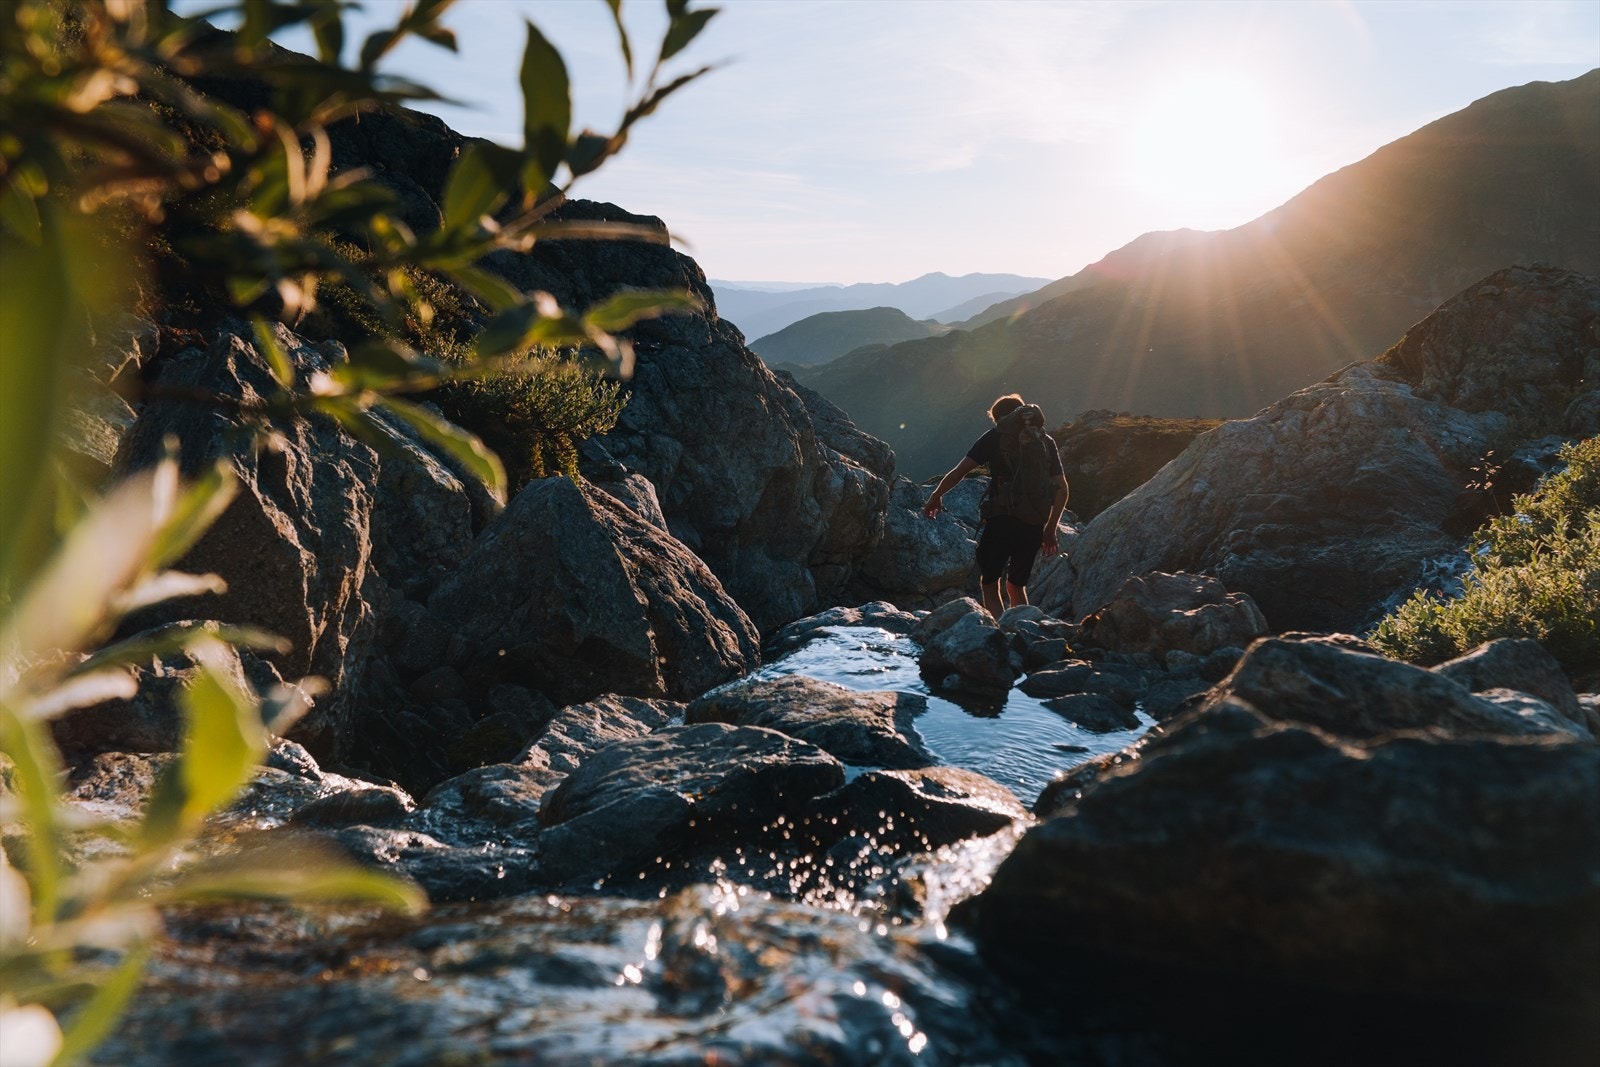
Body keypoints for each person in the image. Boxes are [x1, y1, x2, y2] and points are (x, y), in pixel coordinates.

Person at [922, 393, 1069, 619]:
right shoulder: (1045, 441)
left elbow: (960, 472)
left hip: (1002, 519)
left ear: (1000, 418)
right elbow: (1062, 487)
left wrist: (935, 495)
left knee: (990, 582)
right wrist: (1049, 529)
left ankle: (1001, 633)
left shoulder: (995, 437)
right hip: (1034, 522)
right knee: (1016, 585)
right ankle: (1024, 631)